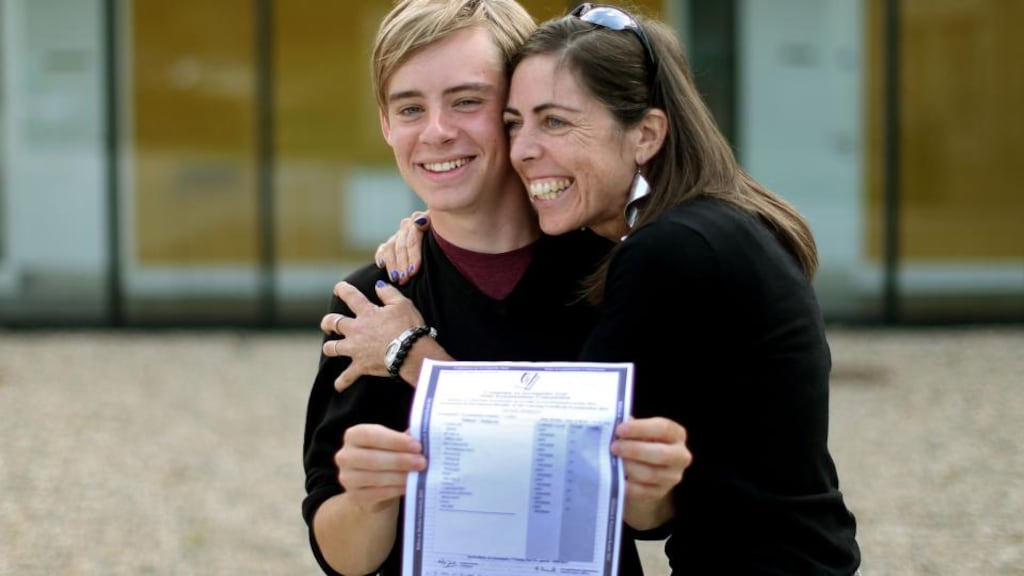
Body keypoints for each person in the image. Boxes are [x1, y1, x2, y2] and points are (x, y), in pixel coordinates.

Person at [327, 3, 861, 574]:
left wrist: (410, 353)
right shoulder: (704, 228)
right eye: (516, 123)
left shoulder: (666, 252)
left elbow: (573, 456)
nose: (526, 147)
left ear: (646, 134)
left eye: (555, 121)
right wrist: (430, 224)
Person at [301, 1, 691, 575]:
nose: (437, 131)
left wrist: (654, 481)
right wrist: (368, 499)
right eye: (410, 107)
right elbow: (342, 558)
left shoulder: (616, 274)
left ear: (517, 107)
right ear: (385, 124)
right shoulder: (374, 303)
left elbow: (650, 519)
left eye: (467, 101)